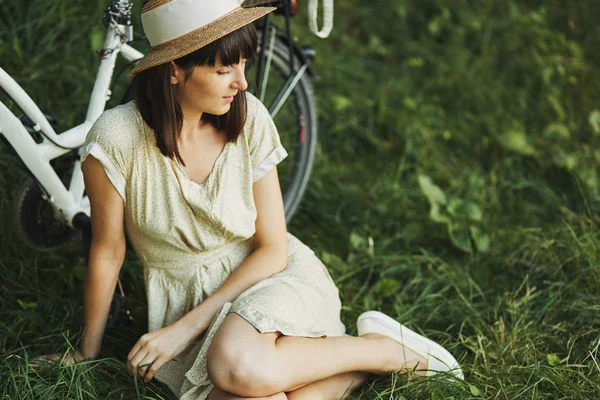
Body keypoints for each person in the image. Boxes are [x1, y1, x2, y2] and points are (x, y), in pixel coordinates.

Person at [48, 1, 464, 399]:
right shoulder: (116, 139)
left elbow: (273, 247)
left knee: (237, 364)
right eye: (224, 68)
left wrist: (185, 329)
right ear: (174, 70)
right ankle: (353, 368)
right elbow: (108, 250)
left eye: (243, 63)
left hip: (269, 280)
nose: (242, 82)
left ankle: (388, 353)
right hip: (186, 301)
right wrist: (87, 351)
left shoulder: (250, 119)